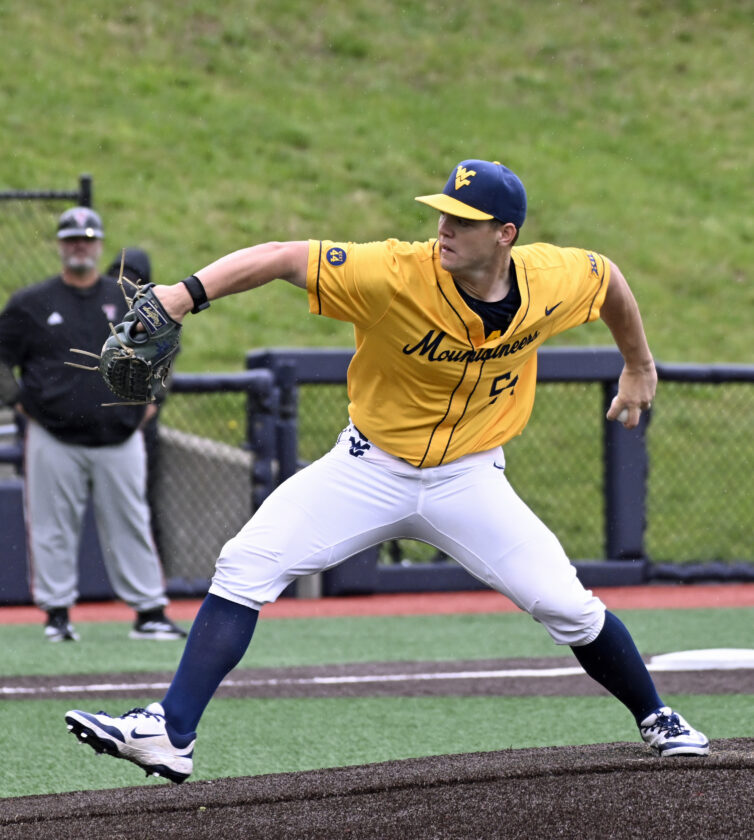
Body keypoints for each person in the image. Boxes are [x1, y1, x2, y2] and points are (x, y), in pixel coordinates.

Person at [64, 160, 708, 784]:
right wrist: (184, 295)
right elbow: (283, 256)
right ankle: (171, 732)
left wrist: (638, 364)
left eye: (464, 219)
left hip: (471, 478)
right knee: (246, 563)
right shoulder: (393, 271)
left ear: (505, 234)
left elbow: (609, 280)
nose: (445, 228)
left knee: (564, 604)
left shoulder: (552, 278)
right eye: (443, 213)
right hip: (367, 468)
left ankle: (656, 715)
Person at [0, 207, 187, 643]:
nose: (79, 246)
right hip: (54, 434)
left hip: (120, 434)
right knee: (51, 526)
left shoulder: (128, 301)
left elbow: (166, 346)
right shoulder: (31, 302)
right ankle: (57, 615)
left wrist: (153, 400)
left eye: (86, 239)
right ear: (60, 245)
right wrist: (19, 402)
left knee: (132, 522)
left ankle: (149, 612)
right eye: (71, 239)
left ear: (99, 244)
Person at [105, 248, 165, 559]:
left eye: (134, 279)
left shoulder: (155, 313)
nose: (126, 284)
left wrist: (131, 424)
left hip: (136, 428)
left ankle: (153, 570)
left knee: (140, 507)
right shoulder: (103, 310)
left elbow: (157, 389)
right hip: (101, 422)